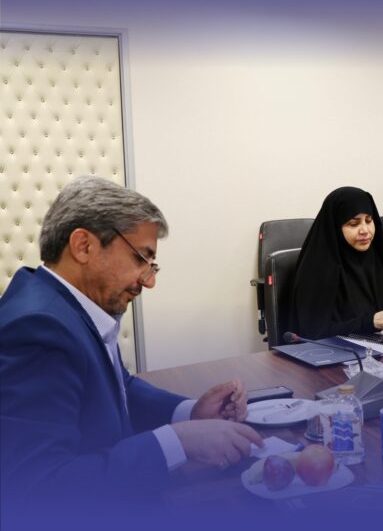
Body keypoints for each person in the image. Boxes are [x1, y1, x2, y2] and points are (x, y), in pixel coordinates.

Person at [0, 176, 263, 503]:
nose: (149, 282)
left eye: (152, 266)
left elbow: (116, 386)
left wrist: (190, 411)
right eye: (140, 258)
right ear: (83, 246)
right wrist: (176, 442)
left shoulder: (65, 307)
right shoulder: (38, 330)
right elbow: (38, 489)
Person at [290, 187, 383, 338]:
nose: (365, 230)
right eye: (353, 224)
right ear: (336, 227)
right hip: (339, 350)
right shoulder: (318, 270)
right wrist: (370, 322)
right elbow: (313, 332)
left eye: (369, 220)